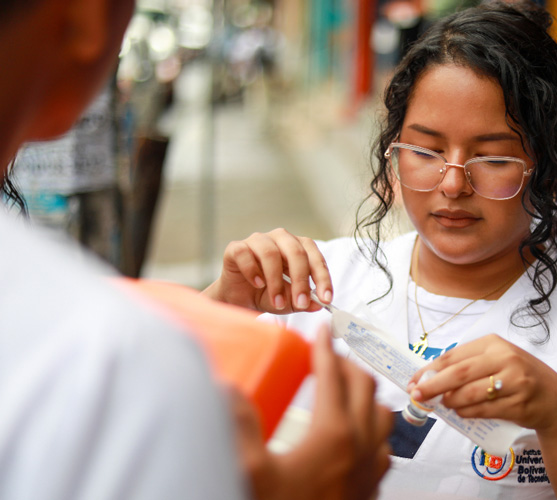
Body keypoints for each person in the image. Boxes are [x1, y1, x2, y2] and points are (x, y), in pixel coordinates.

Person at [203, 2, 557, 498]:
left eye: (492, 158)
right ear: (393, 151)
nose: (452, 183)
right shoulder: (312, 286)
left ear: (551, 165)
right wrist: (225, 306)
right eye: (425, 150)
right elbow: (160, 425)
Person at [0, 1, 391, 499]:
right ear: (88, 19)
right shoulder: (111, 364)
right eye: (424, 149)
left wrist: (218, 308)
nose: (453, 180)